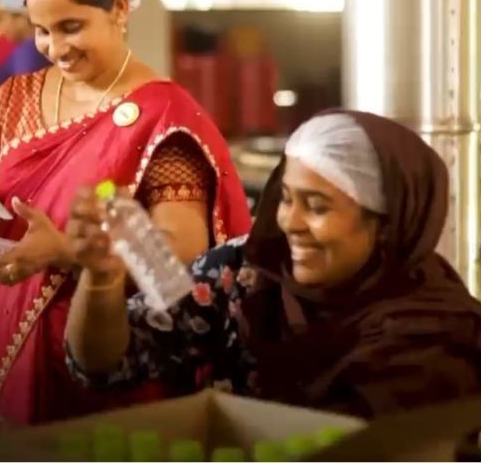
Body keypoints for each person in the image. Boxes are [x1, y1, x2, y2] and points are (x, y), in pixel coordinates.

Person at [0, 0, 251, 426]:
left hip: (113, 343)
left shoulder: (163, 117)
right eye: (41, 32)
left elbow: (183, 252)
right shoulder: (15, 99)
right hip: (14, 324)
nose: (56, 49)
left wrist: (69, 252)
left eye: (71, 27)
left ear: (118, 7)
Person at [64, 112, 481, 418]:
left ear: (387, 224)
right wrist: (102, 279)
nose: (290, 223)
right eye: (286, 198)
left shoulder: (438, 326)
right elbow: (104, 367)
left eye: (316, 207)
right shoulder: (242, 274)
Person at [0, 0, 49, 92]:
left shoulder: (28, 51)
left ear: (22, 17)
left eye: (4, 19)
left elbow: (25, 96)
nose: (2, 26)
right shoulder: (35, 48)